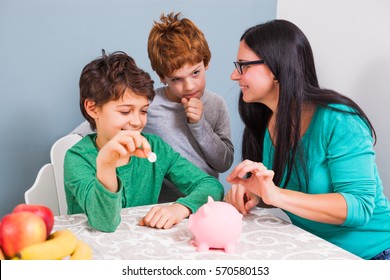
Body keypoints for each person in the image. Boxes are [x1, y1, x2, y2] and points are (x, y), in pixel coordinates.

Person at [224, 19, 390, 260]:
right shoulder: (265, 120)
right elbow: (284, 190)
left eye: (243, 66)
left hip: (374, 255)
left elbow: (360, 206)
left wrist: (276, 194)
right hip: (317, 252)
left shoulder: (339, 120)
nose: (233, 75)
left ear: (276, 67)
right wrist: (255, 193)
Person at [71, 12, 234, 202]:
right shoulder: (145, 105)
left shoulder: (217, 105)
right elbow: (96, 128)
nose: (189, 86)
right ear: (163, 77)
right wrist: (77, 160)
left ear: (206, 62)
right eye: (176, 79)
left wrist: (199, 124)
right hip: (156, 206)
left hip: (203, 198)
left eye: (195, 73)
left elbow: (223, 163)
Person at [64, 51, 224, 232]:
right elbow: (104, 223)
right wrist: (106, 164)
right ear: (92, 108)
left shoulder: (156, 147)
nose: (137, 121)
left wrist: (179, 208)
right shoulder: (77, 158)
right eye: (125, 111)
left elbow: (211, 186)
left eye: (143, 111)